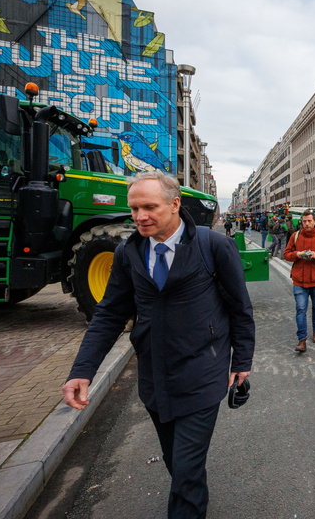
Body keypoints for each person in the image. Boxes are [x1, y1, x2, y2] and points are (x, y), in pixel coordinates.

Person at [62, 171, 255, 519]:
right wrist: (83, 370)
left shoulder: (214, 246)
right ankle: (192, 491)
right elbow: (109, 314)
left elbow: (240, 308)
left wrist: (242, 360)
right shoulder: (127, 252)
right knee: (176, 462)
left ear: (175, 204)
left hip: (203, 372)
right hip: (154, 378)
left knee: (185, 468)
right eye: (134, 209)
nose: (139, 217)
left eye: (149, 207)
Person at [283, 210, 315, 352]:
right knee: (301, 309)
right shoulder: (295, 236)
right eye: (304, 221)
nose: (306, 224)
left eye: (309, 221)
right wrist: (297, 254)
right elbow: (286, 254)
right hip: (299, 280)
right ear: (302, 221)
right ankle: (302, 340)